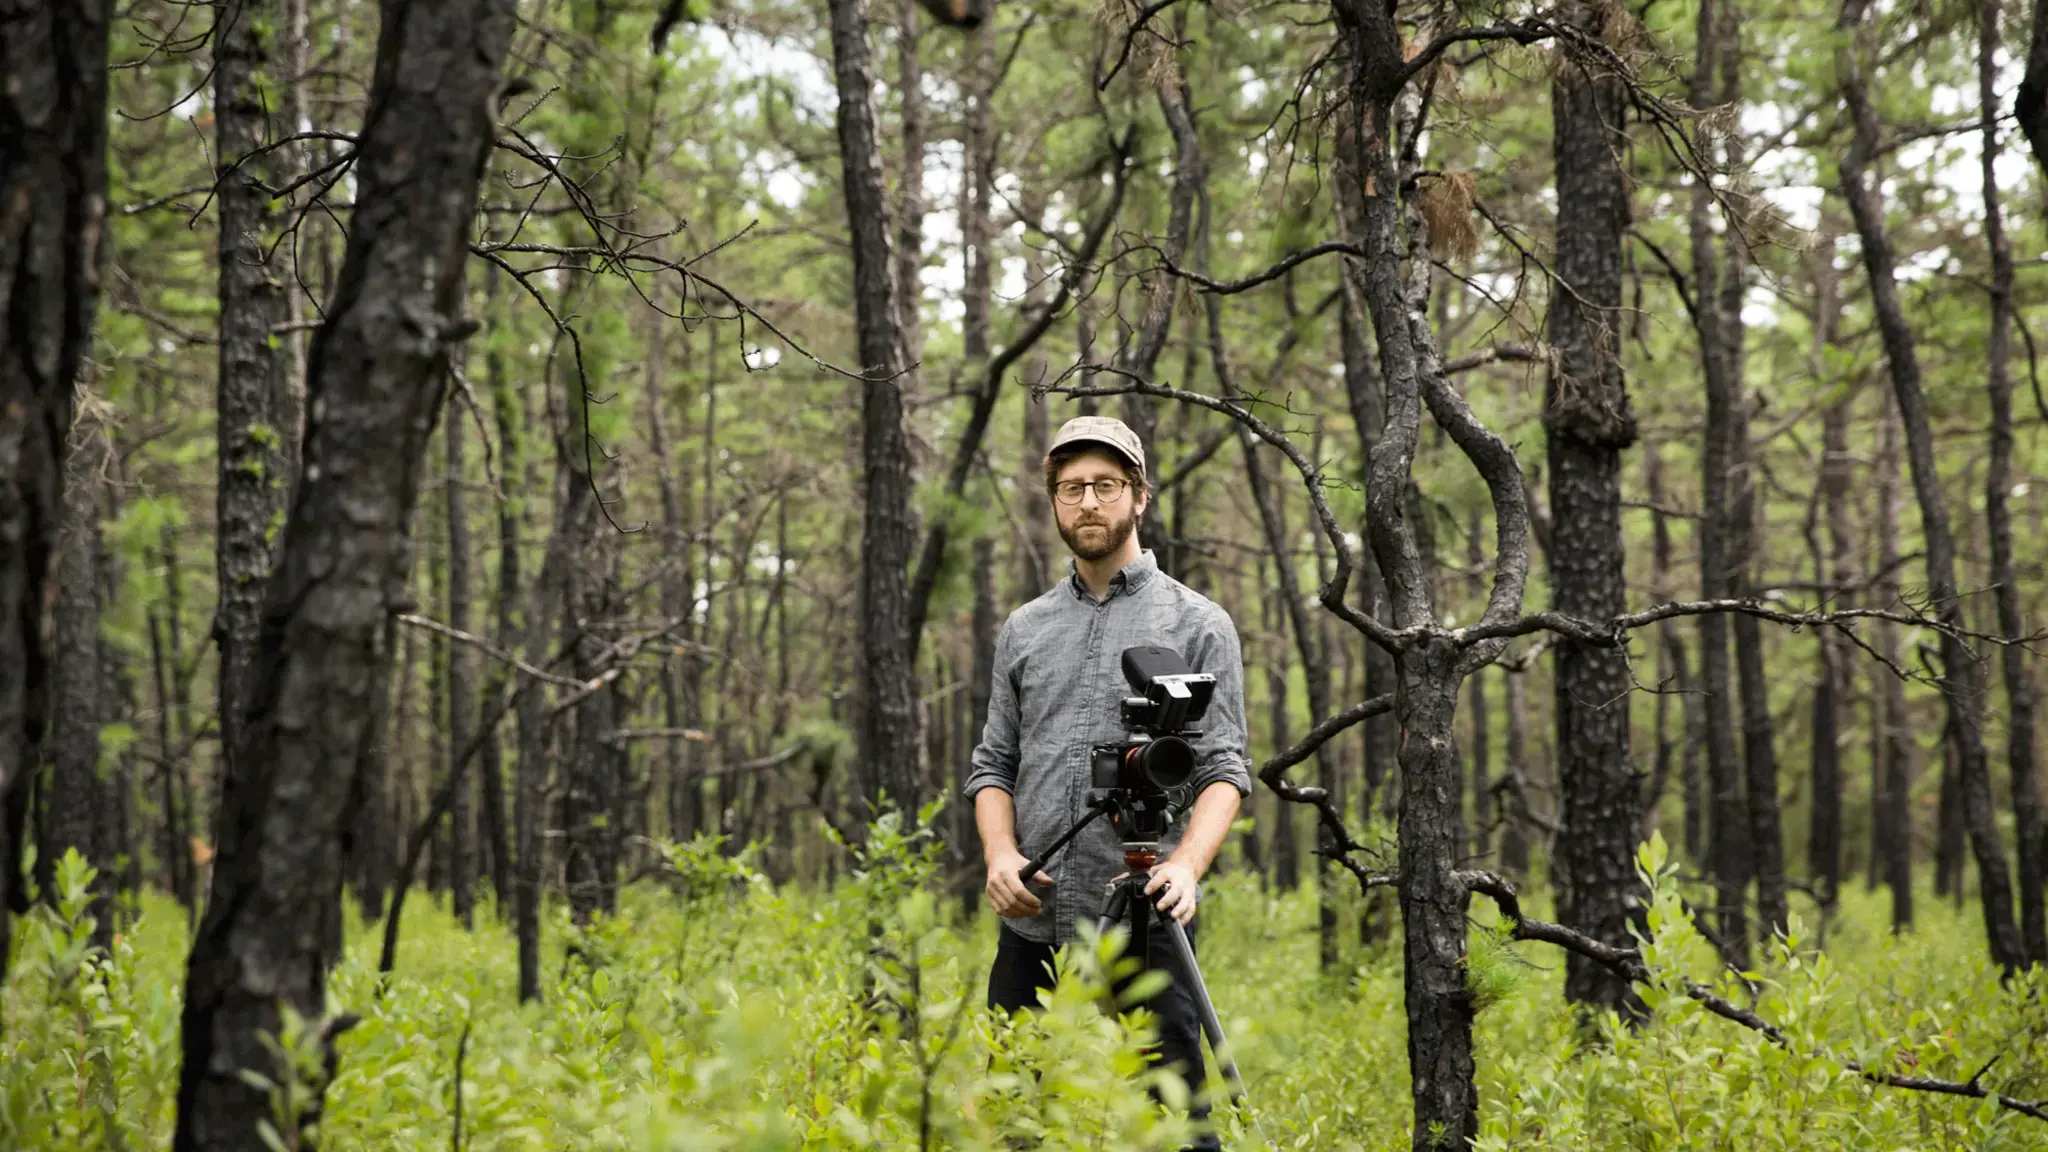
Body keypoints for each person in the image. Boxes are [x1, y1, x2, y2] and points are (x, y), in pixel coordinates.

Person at [963, 415, 1251, 1151]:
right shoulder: (1025, 629)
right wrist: (999, 857)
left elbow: (1224, 769)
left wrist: (1186, 867)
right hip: (1036, 914)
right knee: (1016, 1122)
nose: (1087, 502)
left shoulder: (1198, 622)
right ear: (1054, 501)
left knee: (1175, 1121)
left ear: (1139, 497)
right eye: (1071, 489)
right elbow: (993, 765)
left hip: (1147, 916)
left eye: (1105, 486)